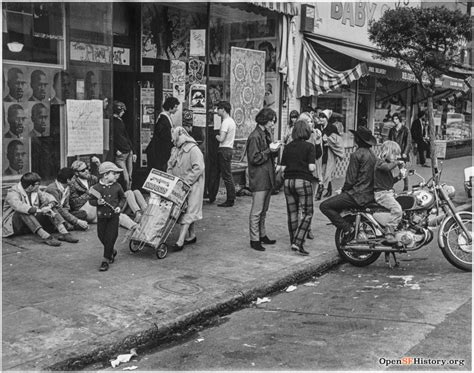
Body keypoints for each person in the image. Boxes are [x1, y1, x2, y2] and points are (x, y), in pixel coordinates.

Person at [320, 126, 377, 243]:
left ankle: (348, 229)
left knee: (325, 206)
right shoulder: (372, 155)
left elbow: (350, 180)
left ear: (357, 140)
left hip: (357, 194)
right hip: (369, 193)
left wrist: (342, 191)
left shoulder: (356, 155)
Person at [2, 172, 78, 245]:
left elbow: (47, 197)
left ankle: (65, 233)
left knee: (49, 208)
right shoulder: (13, 192)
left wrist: (49, 206)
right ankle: (46, 237)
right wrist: (40, 210)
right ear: (30, 186)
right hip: (14, 225)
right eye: (38, 184)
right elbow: (19, 206)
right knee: (23, 211)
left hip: (30, 224)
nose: (39, 186)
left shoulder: (35, 190)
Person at [246, 107, 281, 251]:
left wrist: (275, 149)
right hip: (259, 177)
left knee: (264, 210)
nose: (273, 124)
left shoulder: (266, 133)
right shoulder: (255, 136)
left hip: (267, 176)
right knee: (257, 210)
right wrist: (269, 150)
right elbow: (254, 158)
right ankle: (254, 239)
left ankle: (262, 234)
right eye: (271, 121)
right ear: (264, 120)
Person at [280, 120, 316, 256]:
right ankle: (298, 241)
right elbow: (311, 167)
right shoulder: (309, 146)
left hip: (288, 181)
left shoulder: (288, 147)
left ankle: (293, 241)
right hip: (302, 181)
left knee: (292, 213)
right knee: (307, 212)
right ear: (307, 132)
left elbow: (282, 168)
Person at [69, 159, 138, 230]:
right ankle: (134, 226)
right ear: (76, 173)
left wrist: (99, 164)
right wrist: (88, 194)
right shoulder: (72, 183)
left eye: (87, 168)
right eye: (83, 170)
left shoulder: (91, 178)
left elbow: (103, 177)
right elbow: (74, 203)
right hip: (86, 209)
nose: (87, 171)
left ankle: (137, 216)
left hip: (99, 204)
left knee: (128, 194)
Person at [167, 127, 205, 251]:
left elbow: (199, 168)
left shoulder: (194, 150)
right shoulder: (176, 149)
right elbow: (170, 164)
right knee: (186, 211)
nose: (173, 142)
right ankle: (192, 235)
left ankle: (180, 241)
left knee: (189, 211)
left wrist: (186, 181)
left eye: (175, 140)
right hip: (180, 185)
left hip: (192, 186)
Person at [89, 162, 126, 272]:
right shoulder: (95, 188)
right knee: (101, 236)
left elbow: (123, 198)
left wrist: (119, 207)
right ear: (105, 175)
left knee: (111, 237)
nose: (116, 176)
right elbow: (91, 201)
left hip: (113, 217)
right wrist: (97, 202)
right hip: (101, 217)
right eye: (113, 173)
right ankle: (111, 251)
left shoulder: (117, 186)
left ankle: (105, 260)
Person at [373, 141, 406, 245]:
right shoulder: (379, 162)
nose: (397, 157)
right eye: (395, 154)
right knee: (397, 210)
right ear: (387, 152)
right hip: (382, 194)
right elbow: (386, 168)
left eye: (398, 155)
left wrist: (399, 177)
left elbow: (390, 182)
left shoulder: (386, 164)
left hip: (388, 192)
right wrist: (397, 163)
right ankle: (389, 233)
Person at [298, 111, 322, 240]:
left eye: (311, 121)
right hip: (301, 173)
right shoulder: (296, 135)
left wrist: (318, 142)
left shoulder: (316, 134)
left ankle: (308, 227)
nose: (311, 124)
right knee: (299, 203)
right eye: (307, 121)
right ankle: (299, 229)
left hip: (313, 172)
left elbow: (319, 155)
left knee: (309, 204)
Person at [146, 96, 180, 171]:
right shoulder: (163, 118)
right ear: (170, 107)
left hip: (161, 150)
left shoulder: (165, 117)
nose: (176, 109)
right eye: (175, 107)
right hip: (159, 151)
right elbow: (163, 135)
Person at [317, 109, 344, 200]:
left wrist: (328, 141)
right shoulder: (317, 127)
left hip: (329, 153)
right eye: (320, 117)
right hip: (319, 152)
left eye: (323, 117)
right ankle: (328, 189)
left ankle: (320, 192)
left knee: (327, 171)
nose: (321, 119)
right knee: (322, 172)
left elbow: (337, 141)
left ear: (327, 118)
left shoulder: (332, 128)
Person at [214, 101, 236, 207]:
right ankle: (231, 197)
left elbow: (221, 139)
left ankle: (230, 199)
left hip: (224, 149)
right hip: (229, 149)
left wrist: (216, 136)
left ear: (223, 109)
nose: (217, 111)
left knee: (226, 175)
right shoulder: (231, 121)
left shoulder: (225, 122)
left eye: (218, 109)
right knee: (227, 174)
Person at [112, 101, 136, 191]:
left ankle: (129, 193)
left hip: (127, 151)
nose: (123, 112)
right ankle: (126, 194)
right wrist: (115, 150)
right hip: (121, 152)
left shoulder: (120, 120)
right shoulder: (113, 122)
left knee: (129, 176)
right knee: (125, 177)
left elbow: (126, 135)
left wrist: (133, 151)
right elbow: (110, 138)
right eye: (122, 110)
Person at [388, 113, 411, 191]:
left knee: (402, 170)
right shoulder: (392, 130)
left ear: (399, 119)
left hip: (402, 153)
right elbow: (389, 141)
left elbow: (408, 142)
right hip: (393, 153)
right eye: (393, 119)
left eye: (396, 119)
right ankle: (389, 185)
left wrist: (405, 153)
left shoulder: (405, 130)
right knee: (390, 170)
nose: (395, 121)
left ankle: (406, 186)